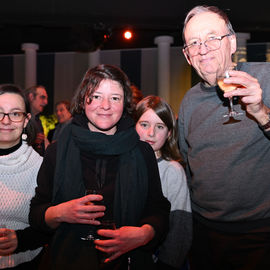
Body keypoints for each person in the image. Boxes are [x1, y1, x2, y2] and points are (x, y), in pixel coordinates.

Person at [29, 64, 170, 270]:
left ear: (125, 103)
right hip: (68, 261)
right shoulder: (58, 151)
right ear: (82, 100)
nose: (105, 106)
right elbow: (36, 213)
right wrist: (60, 212)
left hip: (127, 263)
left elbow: (159, 209)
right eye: (96, 96)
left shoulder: (142, 152)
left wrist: (145, 233)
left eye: (115, 98)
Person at [179, 5, 270, 270]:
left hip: (260, 235)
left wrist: (260, 111)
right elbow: (188, 162)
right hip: (205, 235)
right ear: (188, 57)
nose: (202, 48)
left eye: (211, 38)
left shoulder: (265, 77)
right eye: (193, 43)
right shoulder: (188, 102)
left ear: (231, 43)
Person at [134, 95, 192, 270]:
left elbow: (180, 230)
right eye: (144, 125)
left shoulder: (172, 171)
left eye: (159, 127)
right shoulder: (124, 167)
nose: (151, 133)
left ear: (168, 134)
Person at [0, 84, 50, 269]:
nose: (5, 121)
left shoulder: (40, 167)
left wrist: (21, 240)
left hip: (25, 263)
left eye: (15, 114)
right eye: (0, 112)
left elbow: (50, 224)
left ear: (26, 120)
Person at [25, 85, 49, 156]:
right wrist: (31, 141)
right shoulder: (20, 119)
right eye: (42, 97)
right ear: (31, 97)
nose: (46, 102)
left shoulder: (37, 119)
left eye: (46, 99)